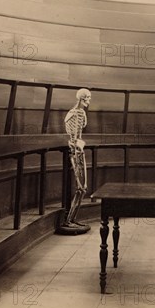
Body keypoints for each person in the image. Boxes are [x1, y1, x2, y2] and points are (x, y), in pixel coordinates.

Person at [62, 88, 91, 232]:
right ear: (81, 98)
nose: (88, 101)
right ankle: (68, 220)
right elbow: (71, 137)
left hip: (80, 151)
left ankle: (72, 219)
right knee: (80, 188)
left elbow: (79, 134)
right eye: (87, 98)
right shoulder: (72, 115)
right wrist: (76, 146)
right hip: (74, 152)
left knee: (83, 188)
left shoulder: (82, 114)